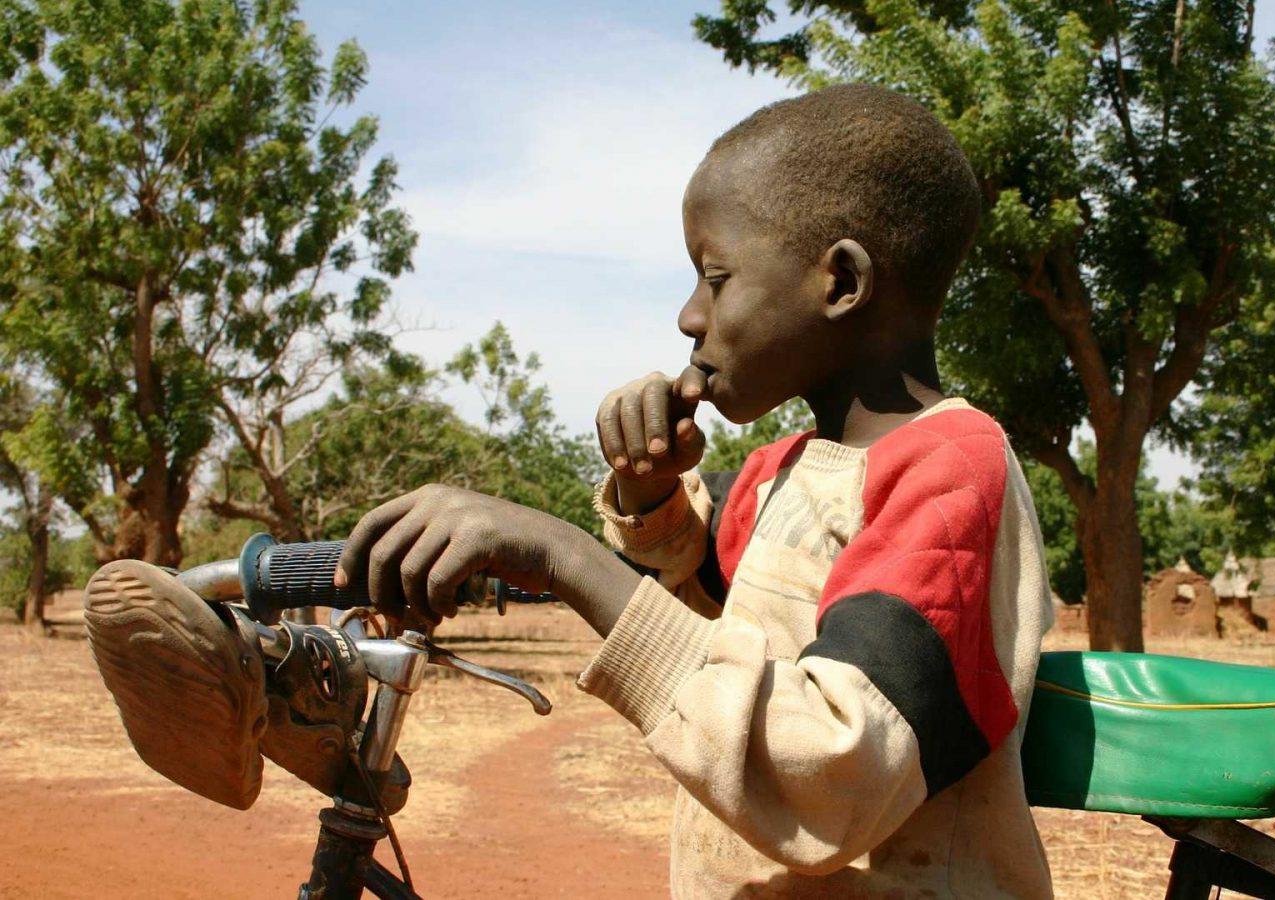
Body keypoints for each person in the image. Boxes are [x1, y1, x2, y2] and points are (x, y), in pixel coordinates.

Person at [334, 83, 1056, 898]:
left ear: (842, 282)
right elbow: (706, 604)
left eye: (716, 278)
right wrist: (648, 492)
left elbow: (833, 772)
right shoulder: (778, 471)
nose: (687, 317)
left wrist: (559, 552)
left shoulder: (951, 468)